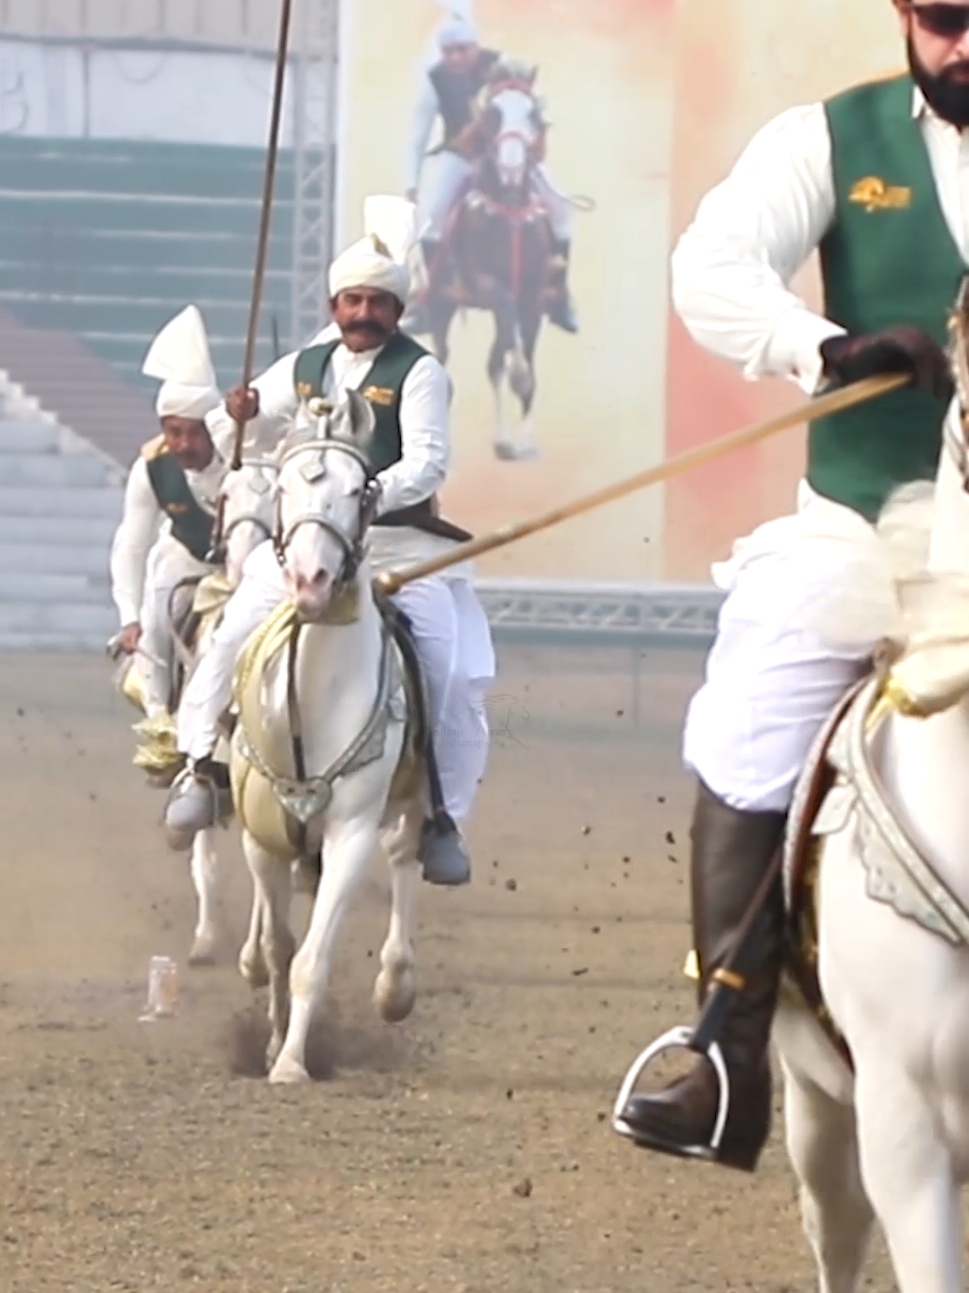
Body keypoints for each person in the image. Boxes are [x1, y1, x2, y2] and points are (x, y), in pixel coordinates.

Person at [614, 0, 969, 1173]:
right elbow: (711, 266)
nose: (965, 46)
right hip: (867, 532)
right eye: (947, 20)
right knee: (753, 711)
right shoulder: (831, 139)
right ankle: (727, 1043)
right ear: (907, 18)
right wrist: (825, 347)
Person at [165, 196, 496, 888]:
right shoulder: (305, 364)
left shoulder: (419, 372)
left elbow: (428, 462)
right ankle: (199, 765)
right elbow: (238, 440)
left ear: (396, 310)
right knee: (227, 635)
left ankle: (440, 814)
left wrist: (371, 493)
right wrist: (238, 415)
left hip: (399, 547)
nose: (363, 312)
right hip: (304, 544)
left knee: (454, 677)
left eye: (377, 301)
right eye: (351, 300)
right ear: (336, 303)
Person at [405, 13, 578, 333]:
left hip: (510, 152)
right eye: (448, 51)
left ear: (476, 47)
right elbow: (418, 135)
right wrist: (412, 182)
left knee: (560, 205)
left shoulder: (503, 69)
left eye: (462, 49)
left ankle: (558, 294)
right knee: (433, 214)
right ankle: (429, 299)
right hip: (462, 155)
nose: (455, 57)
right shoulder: (435, 80)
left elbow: (532, 109)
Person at [109, 305, 225, 720]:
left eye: (195, 432)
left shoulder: (244, 457)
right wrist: (129, 619)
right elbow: (131, 545)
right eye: (174, 432)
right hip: (185, 558)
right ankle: (160, 722)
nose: (183, 444)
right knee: (157, 617)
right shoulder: (151, 466)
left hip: (245, 567)